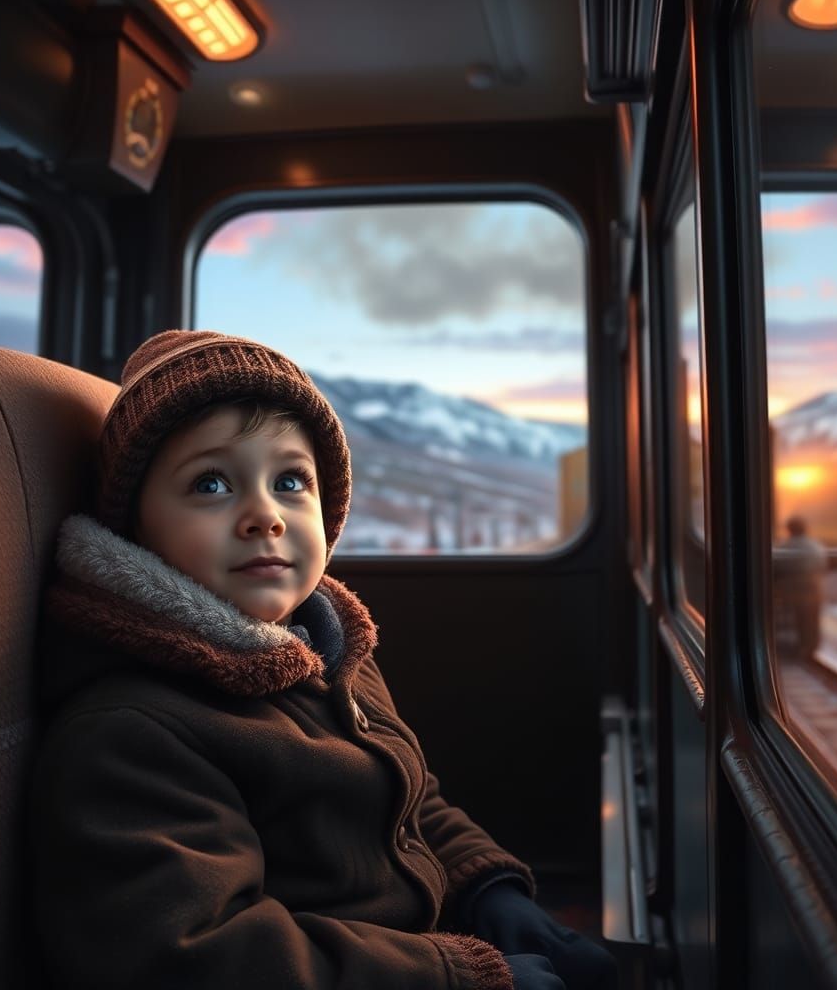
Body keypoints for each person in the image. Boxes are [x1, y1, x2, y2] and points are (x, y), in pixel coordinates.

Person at [31, 329, 618, 990]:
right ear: (136, 527)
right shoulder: (131, 734)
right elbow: (195, 957)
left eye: (289, 481)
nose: (264, 515)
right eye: (211, 483)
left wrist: (489, 892)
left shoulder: (329, 651)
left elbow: (408, 803)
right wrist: (456, 976)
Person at [772, 514, 828, 665]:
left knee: (796, 622)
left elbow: (775, 568)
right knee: (811, 621)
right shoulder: (816, 547)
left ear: (789, 529)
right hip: (814, 591)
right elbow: (822, 566)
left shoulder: (784, 547)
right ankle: (810, 649)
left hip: (791, 594)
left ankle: (797, 650)